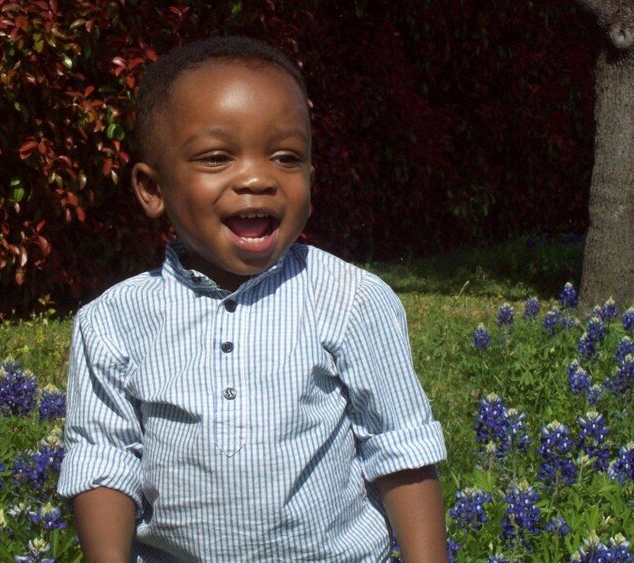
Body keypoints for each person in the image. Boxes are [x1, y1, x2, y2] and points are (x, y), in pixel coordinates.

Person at [58, 35, 447, 563]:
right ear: (152, 189)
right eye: (217, 157)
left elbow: (399, 447)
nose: (258, 178)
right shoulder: (113, 322)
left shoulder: (352, 299)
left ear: (312, 177)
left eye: (287, 157)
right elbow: (103, 462)